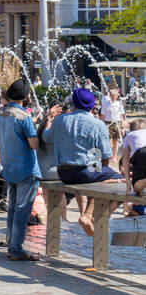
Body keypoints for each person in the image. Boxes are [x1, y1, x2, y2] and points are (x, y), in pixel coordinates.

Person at [45, 87, 122, 235]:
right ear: (93, 105)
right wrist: (101, 168)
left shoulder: (60, 120)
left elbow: (47, 138)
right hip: (84, 173)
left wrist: (48, 118)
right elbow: (106, 155)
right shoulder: (98, 124)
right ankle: (95, 216)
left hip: (63, 173)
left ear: (74, 103)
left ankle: (89, 215)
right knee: (123, 182)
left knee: (100, 175)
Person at [0, 79, 41, 262]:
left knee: (13, 208)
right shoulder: (24, 117)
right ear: (26, 96)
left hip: (9, 169)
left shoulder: (0, 114)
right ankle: (16, 248)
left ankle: (11, 243)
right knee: (22, 210)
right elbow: (34, 144)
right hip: (26, 170)